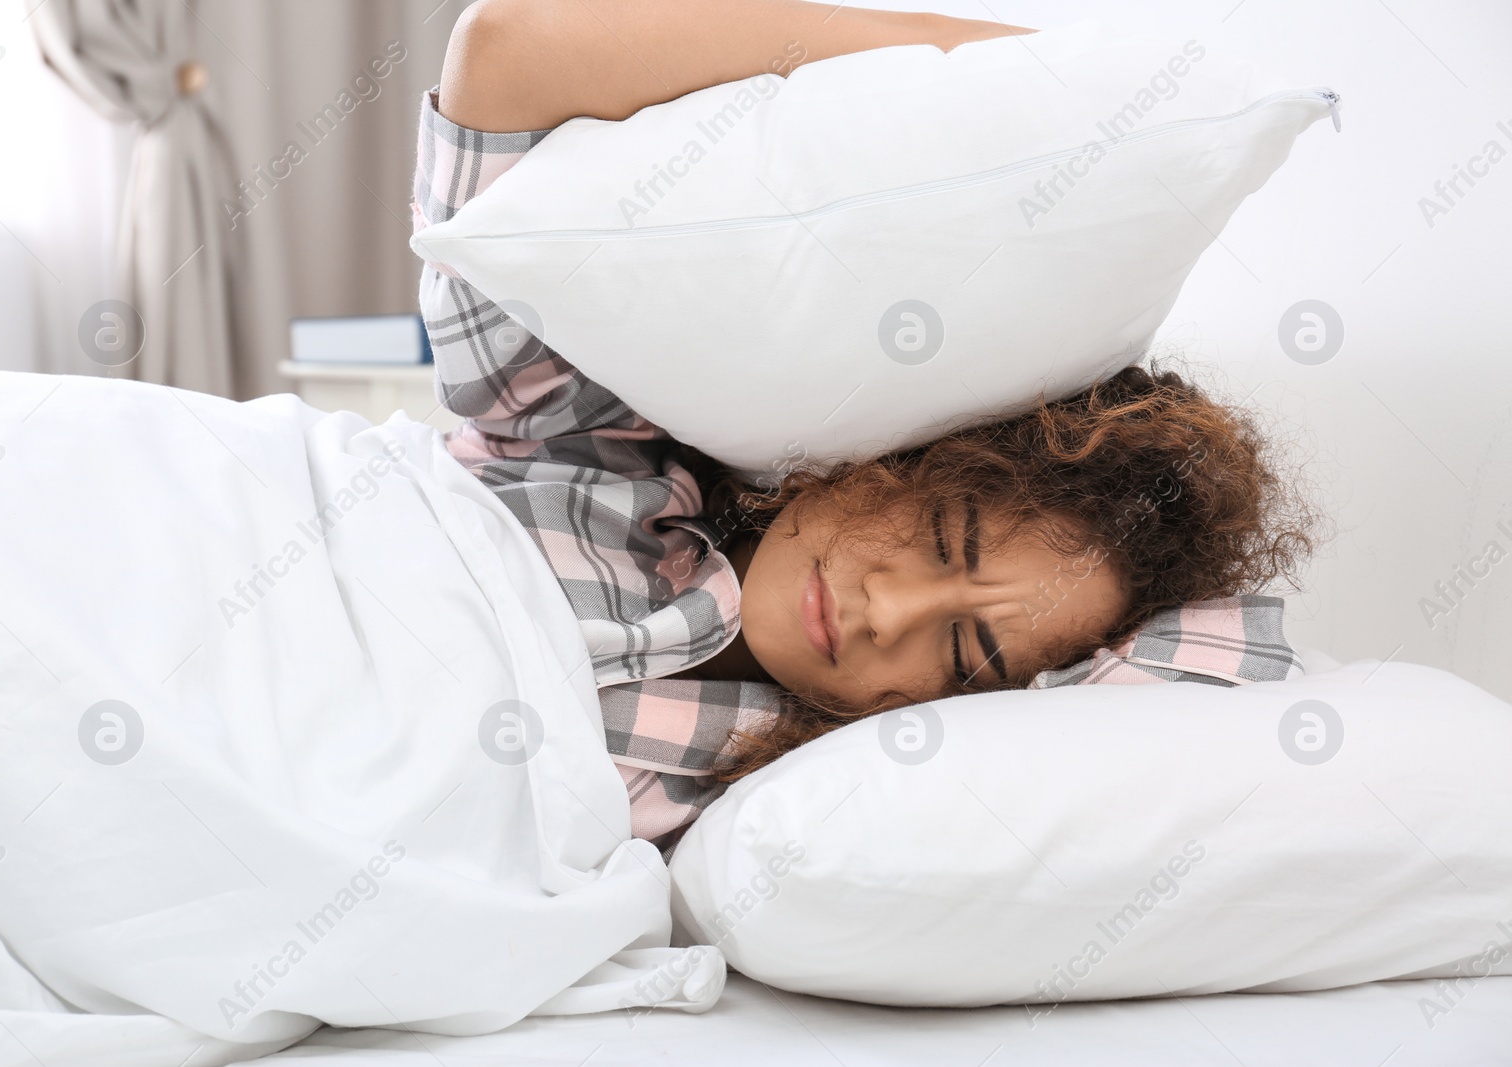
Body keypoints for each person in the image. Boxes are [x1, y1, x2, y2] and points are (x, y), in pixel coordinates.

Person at [415, 0, 1321, 854]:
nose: (889, 613)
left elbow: (1217, 670)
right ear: (898, 452)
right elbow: (512, 43)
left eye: (966, 656)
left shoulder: (790, 787)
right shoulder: (587, 444)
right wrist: (1027, 70)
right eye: (939, 535)